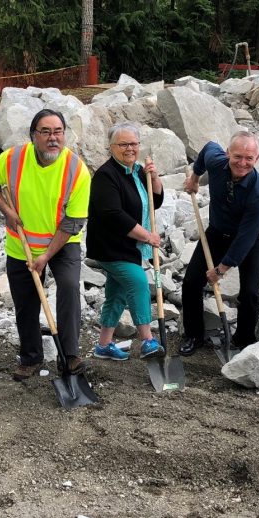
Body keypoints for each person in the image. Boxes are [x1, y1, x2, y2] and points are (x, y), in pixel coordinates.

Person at [0, 109, 91, 381]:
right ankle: (30, 357)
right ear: (33, 136)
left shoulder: (77, 170)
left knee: (68, 287)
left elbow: (74, 222)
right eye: (46, 132)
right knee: (25, 302)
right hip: (21, 244)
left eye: (58, 132)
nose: (53, 138)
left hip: (62, 244)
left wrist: (46, 256)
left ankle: (70, 355)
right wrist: (7, 210)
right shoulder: (14, 158)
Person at [180, 131, 259, 356]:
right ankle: (193, 335)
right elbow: (209, 146)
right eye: (238, 156)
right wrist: (195, 177)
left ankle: (244, 340)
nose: (242, 163)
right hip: (217, 232)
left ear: (257, 159)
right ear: (228, 153)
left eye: (249, 158)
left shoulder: (258, 191)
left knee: (249, 293)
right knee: (191, 282)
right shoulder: (216, 161)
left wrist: (221, 269)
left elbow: (246, 238)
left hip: (250, 237)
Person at [86, 122, 165, 361]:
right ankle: (148, 340)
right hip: (110, 247)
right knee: (138, 281)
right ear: (111, 147)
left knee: (117, 293)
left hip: (130, 246)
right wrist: (147, 236)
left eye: (133, 144)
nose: (129, 148)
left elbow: (156, 201)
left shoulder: (139, 171)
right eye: (123, 144)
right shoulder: (105, 176)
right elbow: (114, 216)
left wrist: (155, 177)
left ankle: (103, 345)